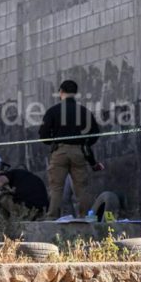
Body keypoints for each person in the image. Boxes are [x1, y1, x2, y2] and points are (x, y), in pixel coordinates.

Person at [38, 80, 100, 219]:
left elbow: (43, 135)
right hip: (79, 151)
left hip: (59, 151)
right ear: (75, 93)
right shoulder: (84, 112)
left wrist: (52, 142)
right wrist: (85, 144)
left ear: (61, 92)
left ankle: (52, 217)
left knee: (56, 187)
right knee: (81, 188)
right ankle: (85, 217)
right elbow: (95, 133)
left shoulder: (53, 111)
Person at [0, 155, 50, 219]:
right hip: (42, 212)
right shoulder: (25, 177)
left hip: (28, 211)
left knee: (2, 198)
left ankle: (9, 221)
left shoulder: (10, 175)